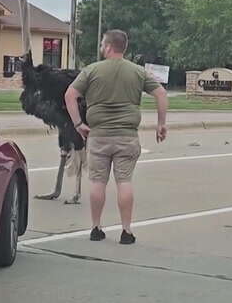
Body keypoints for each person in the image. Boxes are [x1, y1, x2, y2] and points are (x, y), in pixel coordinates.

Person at [64, 29, 168, 245]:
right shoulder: (138, 72)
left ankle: (96, 227)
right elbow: (161, 93)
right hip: (127, 137)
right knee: (124, 181)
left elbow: (70, 95)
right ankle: (126, 231)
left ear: (109, 46)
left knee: (97, 182)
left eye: (103, 44)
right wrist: (161, 124)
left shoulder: (91, 70)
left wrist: (78, 124)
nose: (101, 47)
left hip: (98, 135)